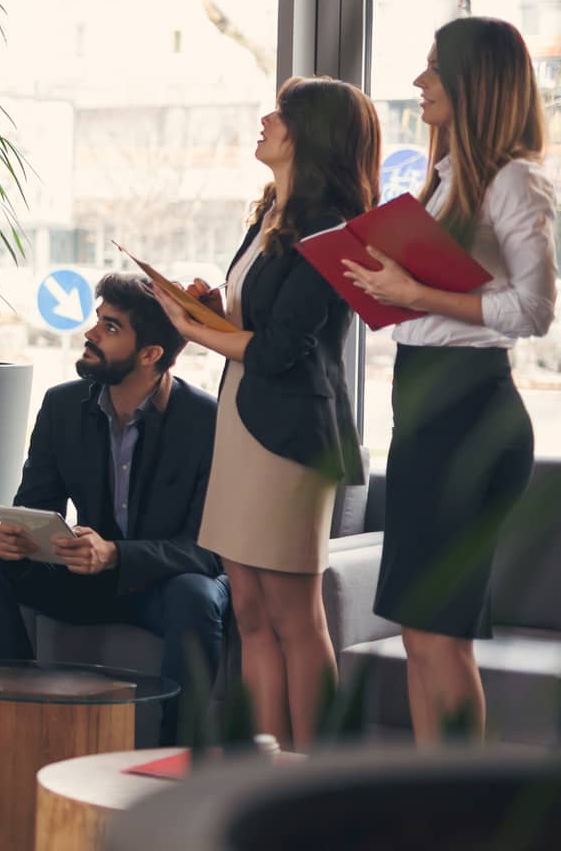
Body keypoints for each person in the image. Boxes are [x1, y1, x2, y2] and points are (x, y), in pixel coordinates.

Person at [342, 16, 554, 742]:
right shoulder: (445, 179)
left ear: (473, 83)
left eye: (433, 70)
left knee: (440, 636)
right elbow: (424, 301)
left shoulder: (515, 180)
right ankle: (433, 798)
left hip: (471, 416)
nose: (418, 83)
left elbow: (534, 311)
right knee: (418, 633)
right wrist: (383, 285)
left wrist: (415, 294)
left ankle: (462, 810)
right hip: (426, 411)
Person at [155, 77, 376, 750]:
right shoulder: (270, 216)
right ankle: (267, 768)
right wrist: (211, 309)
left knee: (293, 618)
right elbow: (257, 325)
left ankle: (315, 785)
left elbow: (282, 351)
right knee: (249, 611)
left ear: (312, 136)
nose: (266, 119)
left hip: (290, 438)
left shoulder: (334, 231)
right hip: (244, 423)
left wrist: (194, 333)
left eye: (283, 114)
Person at [0, 274, 226, 744]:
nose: (90, 334)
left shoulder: (205, 419)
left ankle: (175, 757)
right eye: (96, 321)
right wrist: (18, 536)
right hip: (85, 577)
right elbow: (35, 504)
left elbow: (208, 551)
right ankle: (24, 726)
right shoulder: (62, 405)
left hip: (160, 587)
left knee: (198, 595)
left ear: (151, 355)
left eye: (110, 327)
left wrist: (116, 555)